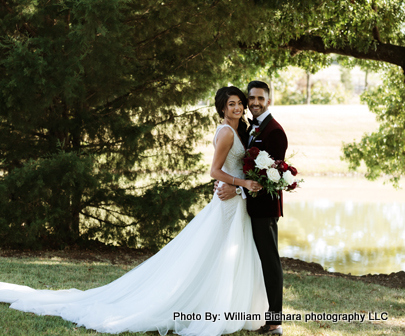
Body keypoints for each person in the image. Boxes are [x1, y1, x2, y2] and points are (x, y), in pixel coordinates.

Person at [0, 86, 268, 336]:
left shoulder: (238, 130)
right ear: (222, 108)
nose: (238, 108)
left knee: (226, 254)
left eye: (240, 103)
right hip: (228, 202)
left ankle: (227, 305)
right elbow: (214, 171)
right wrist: (242, 183)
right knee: (214, 253)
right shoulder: (225, 133)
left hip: (235, 201)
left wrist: (240, 184)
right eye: (232, 104)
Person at [217, 81, 288, 336]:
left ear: (268, 100)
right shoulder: (251, 127)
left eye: (260, 98)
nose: (255, 103)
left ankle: (275, 322)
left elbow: (269, 177)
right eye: (252, 98)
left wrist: (237, 189)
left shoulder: (275, 132)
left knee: (270, 262)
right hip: (247, 206)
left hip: (264, 208)